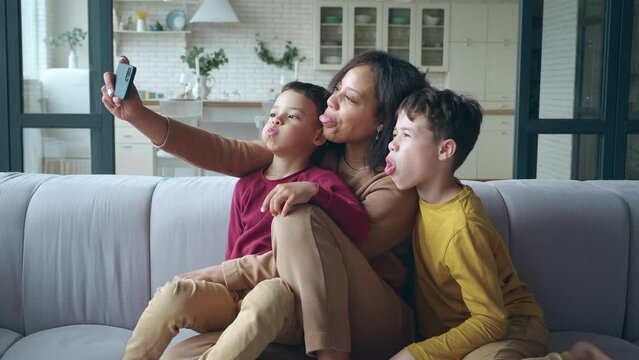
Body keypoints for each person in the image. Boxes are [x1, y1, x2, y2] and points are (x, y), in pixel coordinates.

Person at [102, 50, 428, 360]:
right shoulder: (318, 152)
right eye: (337, 88)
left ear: (382, 121)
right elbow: (225, 151)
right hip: (294, 309)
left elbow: (314, 258)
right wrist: (138, 115)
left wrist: (219, 274)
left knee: (294, 217)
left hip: (370, 323)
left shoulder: (394, 186)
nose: (332, 100)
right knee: (180, 355)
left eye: (350, 99)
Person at [120, 81, 370, 359]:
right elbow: (234, 250)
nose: (277, 119)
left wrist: (315, 193)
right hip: (234, 296)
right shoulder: (246, 185)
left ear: (318, 137)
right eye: (275, 112)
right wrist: (219, 282)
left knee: (268, 295)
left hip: (286, 300)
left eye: (293, 117)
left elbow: (359, 226)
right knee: (176, 293)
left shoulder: (320, 183)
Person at [384, 87, 611, 360]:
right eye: (395, 133)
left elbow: (491, 320)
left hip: (512, 327)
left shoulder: (462, 226)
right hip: (464, 334)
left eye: (406, 135)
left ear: (445, 150)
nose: (392, 143)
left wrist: (417, 353)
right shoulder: (415, 197)